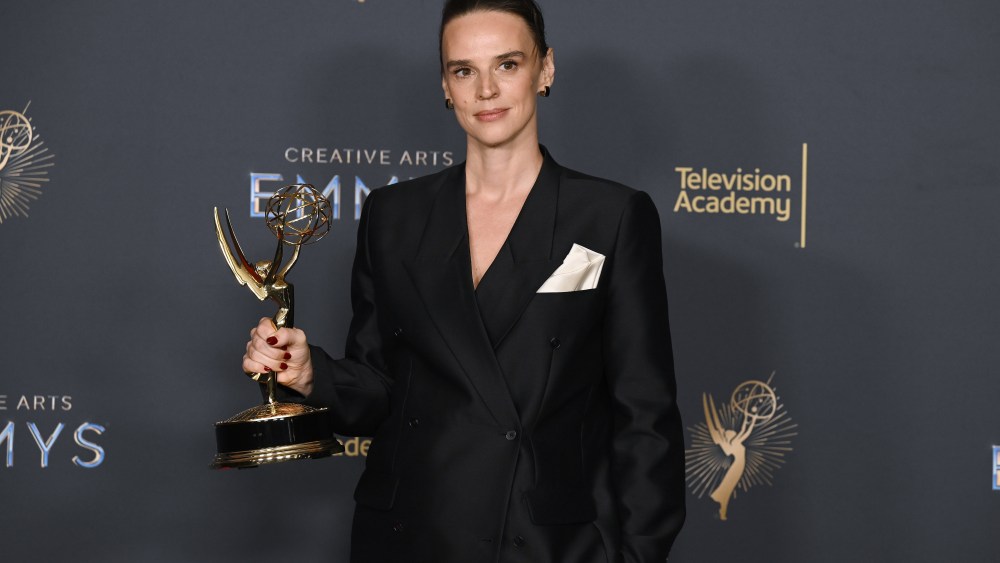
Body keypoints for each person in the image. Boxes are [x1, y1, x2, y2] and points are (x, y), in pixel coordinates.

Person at [243, 1, 685, 561]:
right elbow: (381, 389)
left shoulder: (611, 216)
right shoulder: (393, 215)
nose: (486, 90)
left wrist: (638, 555)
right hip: (409, 534)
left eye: (507, 64)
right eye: (464, 70)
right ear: (446, 86)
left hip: (546, 543)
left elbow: (645, 416)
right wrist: (311, 373)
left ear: (545, 69)